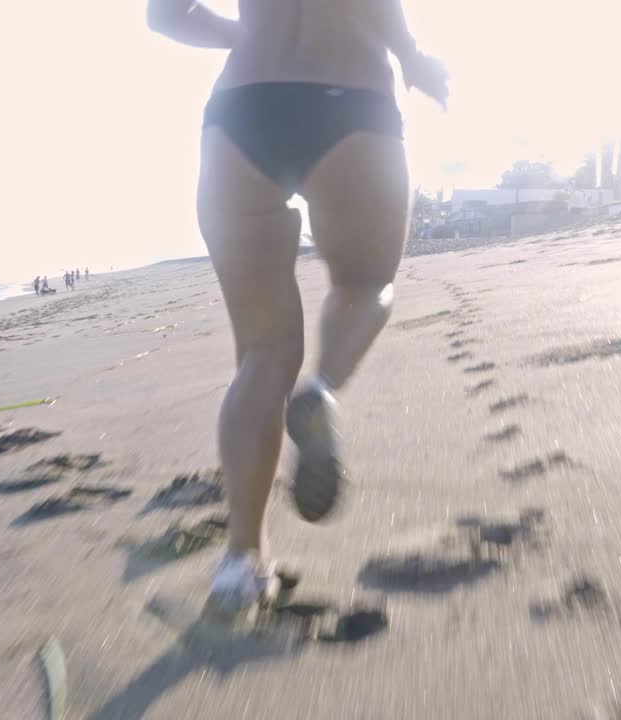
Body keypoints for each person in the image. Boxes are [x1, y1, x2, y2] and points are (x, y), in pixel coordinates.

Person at [147, 0, 448, 622]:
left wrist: (246, 33)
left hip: (243, 109)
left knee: (262, 354)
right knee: (365, 283)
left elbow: (164, 14)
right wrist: (413, 58)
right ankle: (321, 390)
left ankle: (240, 566)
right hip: (352, 99)